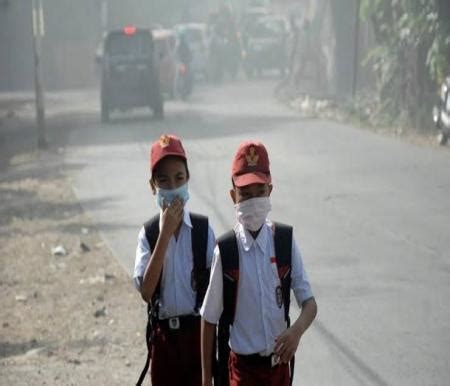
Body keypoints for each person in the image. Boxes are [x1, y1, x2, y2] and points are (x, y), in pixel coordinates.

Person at [200, 140, 317, 386]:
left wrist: (296, 332)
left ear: (270, 191)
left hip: (278, 369)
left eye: (259, 193)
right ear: (234, 196)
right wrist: (205, 379)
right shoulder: (227, 250)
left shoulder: (284, 242)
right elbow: (209, 318)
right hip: (243, 372)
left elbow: (309, 304)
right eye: (245, 194)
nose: (253, 201)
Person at [133, 134, 216, 386]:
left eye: (179, 178)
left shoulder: (203, 230)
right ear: (153, 187)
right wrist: (165, 233)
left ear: (188, 180)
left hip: (197, 336)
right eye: (163, 181)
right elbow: (146, 291)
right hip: (164, 338)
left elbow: (217, 291)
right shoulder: (148, 234)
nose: (172, 187)